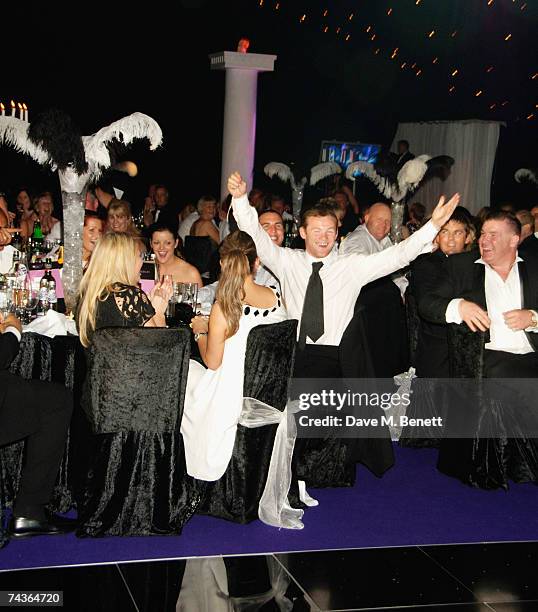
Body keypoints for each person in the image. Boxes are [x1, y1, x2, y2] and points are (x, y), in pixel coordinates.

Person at [229, 170, 459, 483]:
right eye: (316, 230)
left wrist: (433, 225)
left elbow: (398, 255)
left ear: (338, 234)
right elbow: (253, 233)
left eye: (329, 231)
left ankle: (326, 476)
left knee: (331, 431)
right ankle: (292, 477)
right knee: (293, 429)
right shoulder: (286, 260)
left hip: (336, 358)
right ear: (303, 231)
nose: (322, 237)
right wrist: (241, 199)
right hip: (296, 355)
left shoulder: (352, 267)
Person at [180, 231, 286, 481]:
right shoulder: (278, 299)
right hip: (265, 390)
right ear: (257, 263)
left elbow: (213, 362)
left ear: (221, 263)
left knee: (183, 372)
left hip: (227, 394)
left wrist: (199, 332)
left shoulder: (224, 307)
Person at [77, 232, 172, 348]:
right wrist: (158, 312)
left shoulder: (88, 293)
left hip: (97, 365)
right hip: (132, 365)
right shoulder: (130, 295)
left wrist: (147, 307)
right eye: (140, 256)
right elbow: (160, 348)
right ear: (126, 261)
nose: (143, 262)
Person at [150, 222, 203, 286]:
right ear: (151, 244)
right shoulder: (143, 268)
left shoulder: (191, 273)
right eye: (156, 243)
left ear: (176, 243)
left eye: (168, 243)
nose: (161, 248)